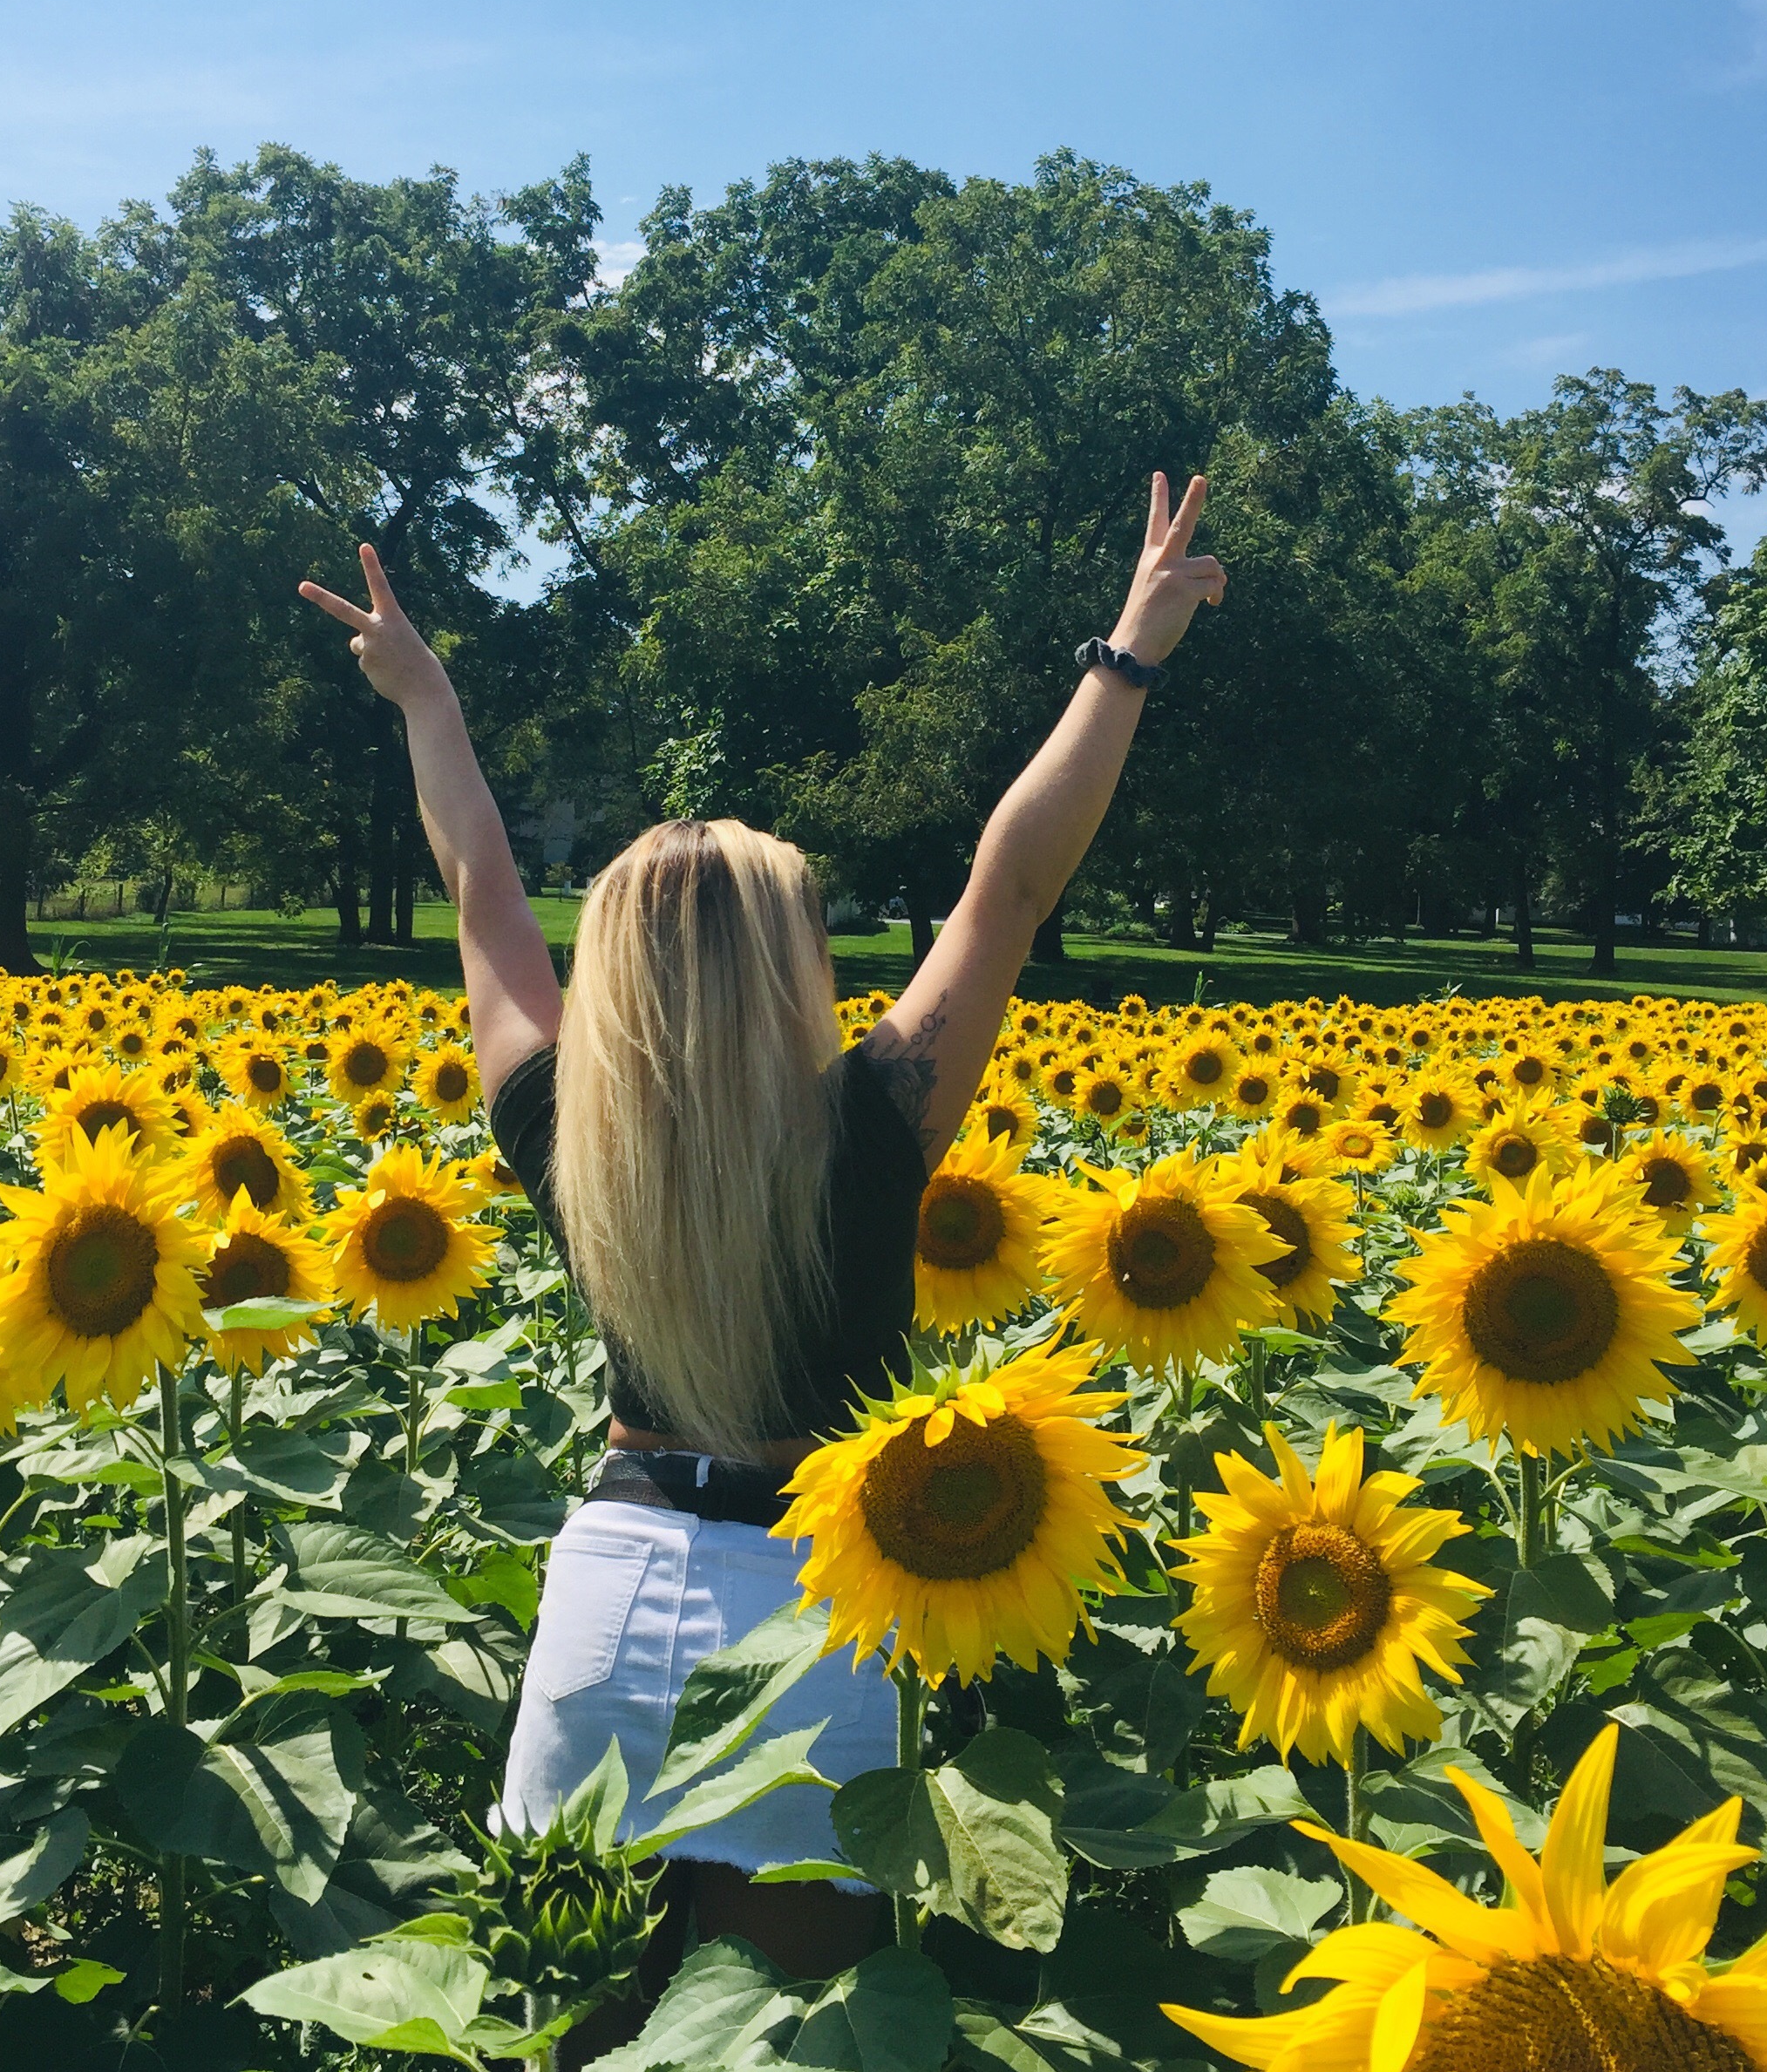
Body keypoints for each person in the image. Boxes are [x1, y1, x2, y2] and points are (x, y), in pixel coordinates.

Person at [298, 472, 1226, 1981]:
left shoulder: (563, 1133)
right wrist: (1125, 657)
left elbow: (479, 884)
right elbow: (1009, 883)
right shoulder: (871, 1125)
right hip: (820, 1618)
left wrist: (426, 699)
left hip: (607, 1601)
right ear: (794, 963)